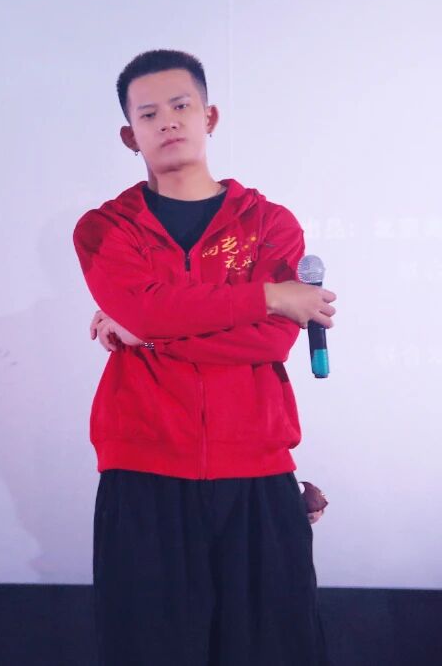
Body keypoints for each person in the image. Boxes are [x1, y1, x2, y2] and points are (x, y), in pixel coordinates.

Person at [74, 50, 335, 665]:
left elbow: (272, 340)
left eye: (181, 105)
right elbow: (153, 312)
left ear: (209, 116)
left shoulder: (270, 223)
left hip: (257, 471)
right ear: (129, 135)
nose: (167, 121)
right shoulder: (105, 228)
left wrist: (147, 330)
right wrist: (269, 296)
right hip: (143, 470)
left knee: (272, 650)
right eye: (148, 113)